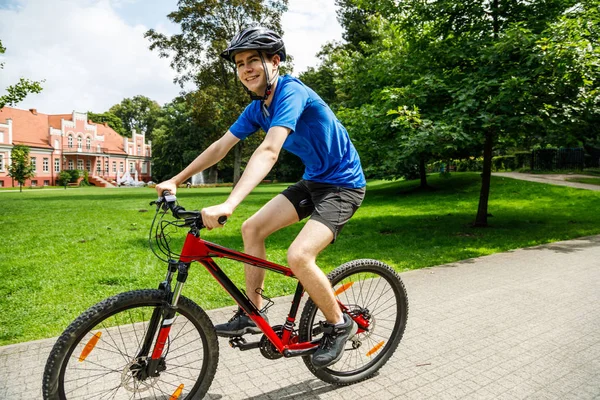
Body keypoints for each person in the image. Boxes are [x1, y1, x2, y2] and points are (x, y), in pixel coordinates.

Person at [155, 26, 366, 369]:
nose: (246, 69)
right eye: (240, 64)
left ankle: (340, 325)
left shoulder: (291, 92)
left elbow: (269, 150)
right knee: (252, 229)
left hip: (343, 185)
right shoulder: (258, 108)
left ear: (275, 62)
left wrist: (229, 203)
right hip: (314, 181)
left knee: (299, 256)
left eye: (254, 60)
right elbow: (221, 147)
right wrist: (175, 179)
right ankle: (251, 313)